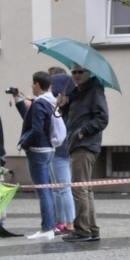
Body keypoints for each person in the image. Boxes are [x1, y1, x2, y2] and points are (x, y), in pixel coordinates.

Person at [56, 63, 109, 242]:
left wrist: (83, 130)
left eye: (80, 72)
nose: (76, 75)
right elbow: (72, 118)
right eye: (74, 72)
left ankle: (82, 230)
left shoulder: (94, 90)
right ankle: (91, 229)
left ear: (89, 73)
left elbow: (102, 118)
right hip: (78, 143)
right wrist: (63, 106)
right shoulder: (78, 92)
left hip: (84, 144)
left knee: (79, 189)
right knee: (85, 189)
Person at [11, 71, 57, 240]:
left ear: (37, 84)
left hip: (38, 150)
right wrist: (19, 100)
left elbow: (36, 128)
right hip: (49, 149)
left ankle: (47, 228)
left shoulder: (39, 103)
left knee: (43, 190)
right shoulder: (51, 101)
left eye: (32, 83)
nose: (31, 86)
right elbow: (29, 118)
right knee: (47, 189)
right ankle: (50, 225)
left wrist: (24, 143)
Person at [49, 71, 76, 235]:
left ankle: (70, 223)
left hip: (62, 150)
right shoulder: (61, 108)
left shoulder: (69, 109)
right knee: (57, 188)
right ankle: (61, 221)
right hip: (56, 150)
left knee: (64, 188)